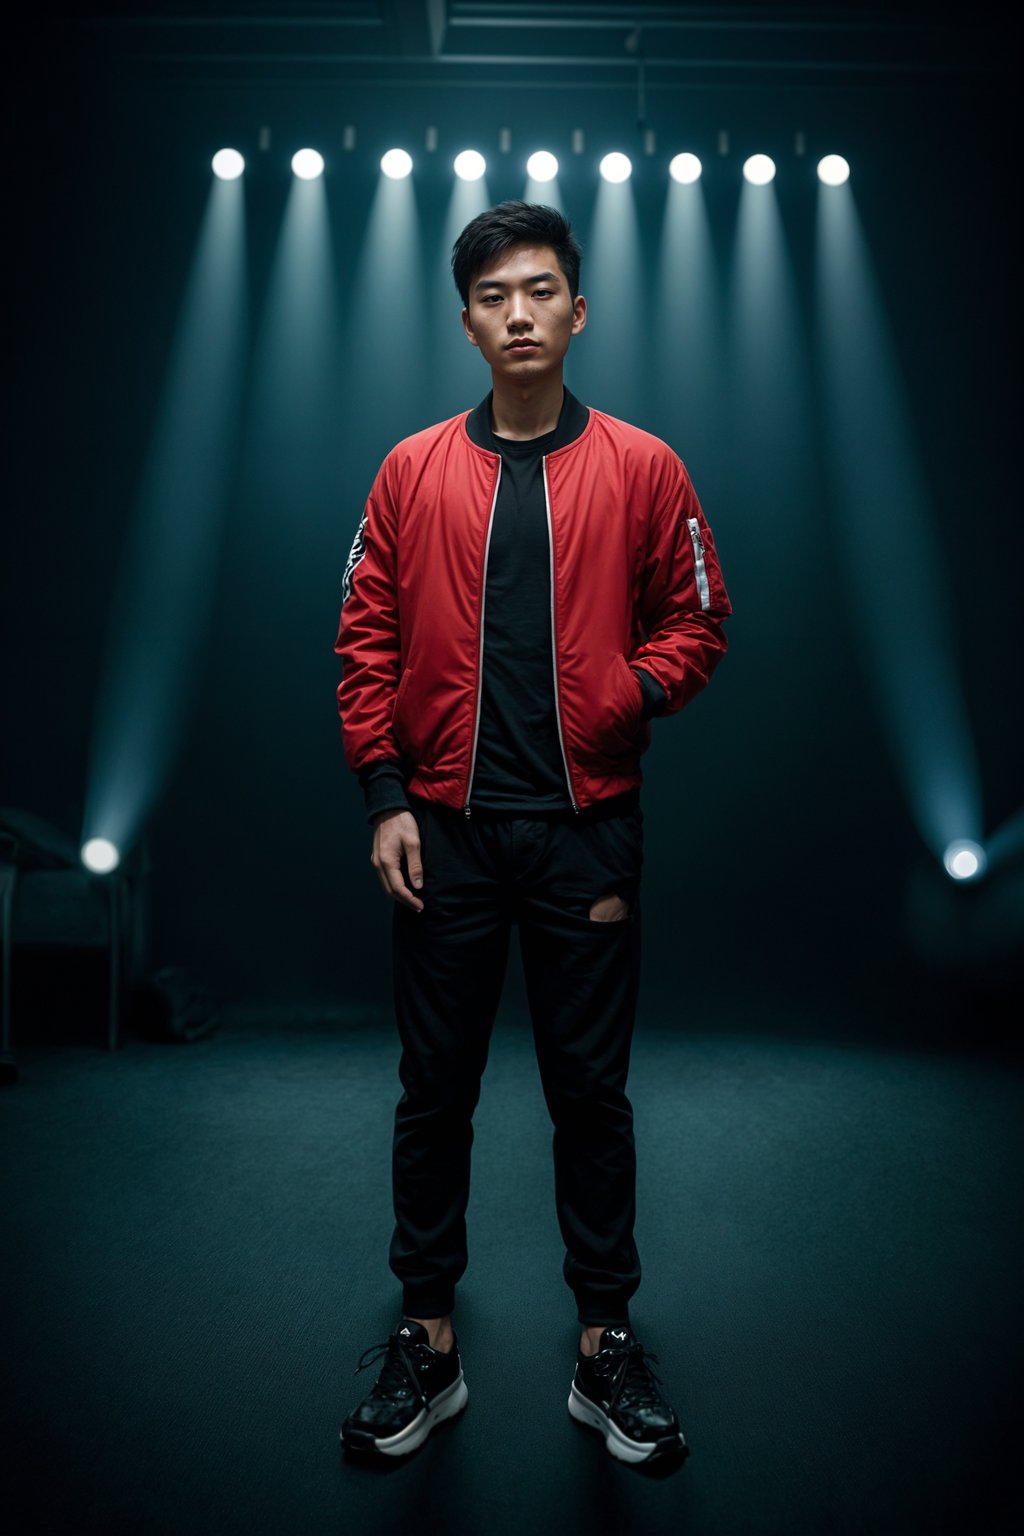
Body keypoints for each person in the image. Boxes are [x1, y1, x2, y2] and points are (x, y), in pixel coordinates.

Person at [334, 201, 731, 1464]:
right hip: (444, 834)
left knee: (589, 1094)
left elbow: (699, 623)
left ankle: (603, 1349)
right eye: (494, 295)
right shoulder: (408, 471)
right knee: (431, 1093)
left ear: (577, 310)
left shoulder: (645, 466)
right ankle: (427, 1344)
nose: (518, 312)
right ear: (466, 322)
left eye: (540, 289)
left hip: (583, 835)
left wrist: (629, 692)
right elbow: (364, 642)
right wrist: (386, 796)